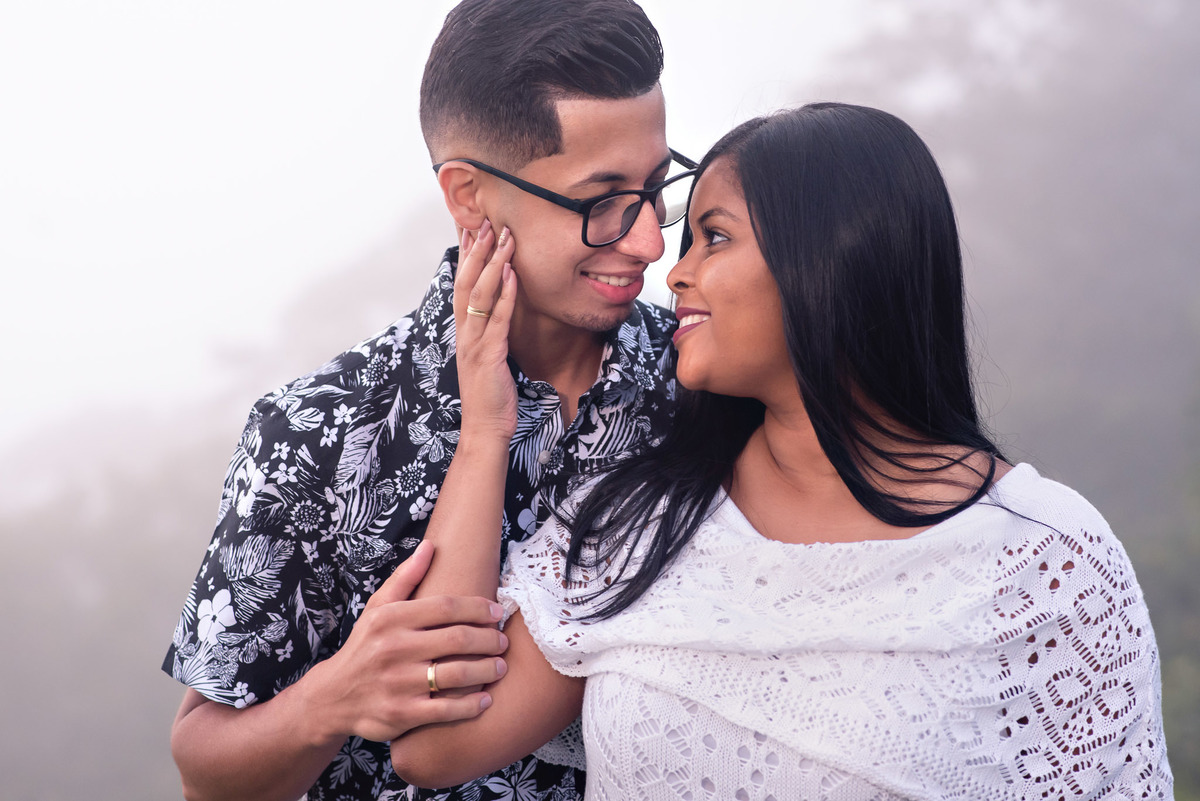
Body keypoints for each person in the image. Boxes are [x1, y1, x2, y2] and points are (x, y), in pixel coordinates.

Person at [387, 103, 1173, 798]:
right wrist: (486, 430)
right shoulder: (636, 527)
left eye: (714, 236)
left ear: (828, 258)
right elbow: (435, 743)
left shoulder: (1045, 562)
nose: (677, 269)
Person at [161, 0, 696, 798]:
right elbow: (205, 771)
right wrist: (333, 696)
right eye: (601, 201)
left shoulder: (702, 377)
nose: (650, 239)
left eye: (658, 186)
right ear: (470, 197)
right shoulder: (313, 432)